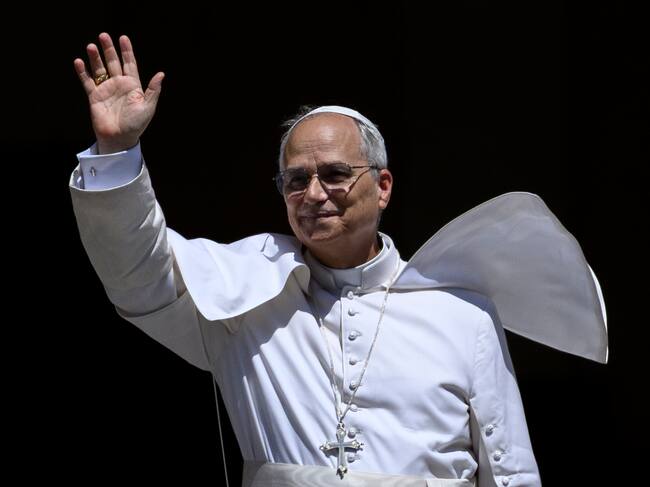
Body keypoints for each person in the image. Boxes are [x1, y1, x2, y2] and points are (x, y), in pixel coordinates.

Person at [69, 33, 608, 487]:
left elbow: (510, 473)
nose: (313, 194)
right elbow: (137, 271)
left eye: (334, 174)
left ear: (383, 186)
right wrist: (117, 152)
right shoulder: (242, 301)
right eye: (296, 180)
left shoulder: (463, 315)